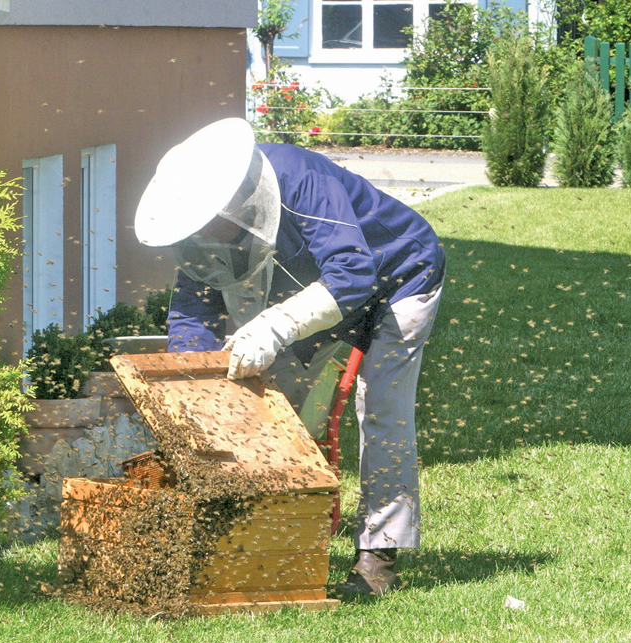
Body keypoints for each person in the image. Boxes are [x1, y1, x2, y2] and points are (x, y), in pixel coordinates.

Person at [134, 118, 445, 596]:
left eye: (212, 224)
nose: (207, 235)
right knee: (271, 409)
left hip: (399, 276)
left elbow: (352, 274)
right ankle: (270, 543)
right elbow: (193, 316)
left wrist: (275, 326)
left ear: (235, 199)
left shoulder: (300, 178)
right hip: (315, 293)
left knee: (384, 410)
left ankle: (380, 556)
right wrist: (192, 396)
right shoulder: (202, 229)